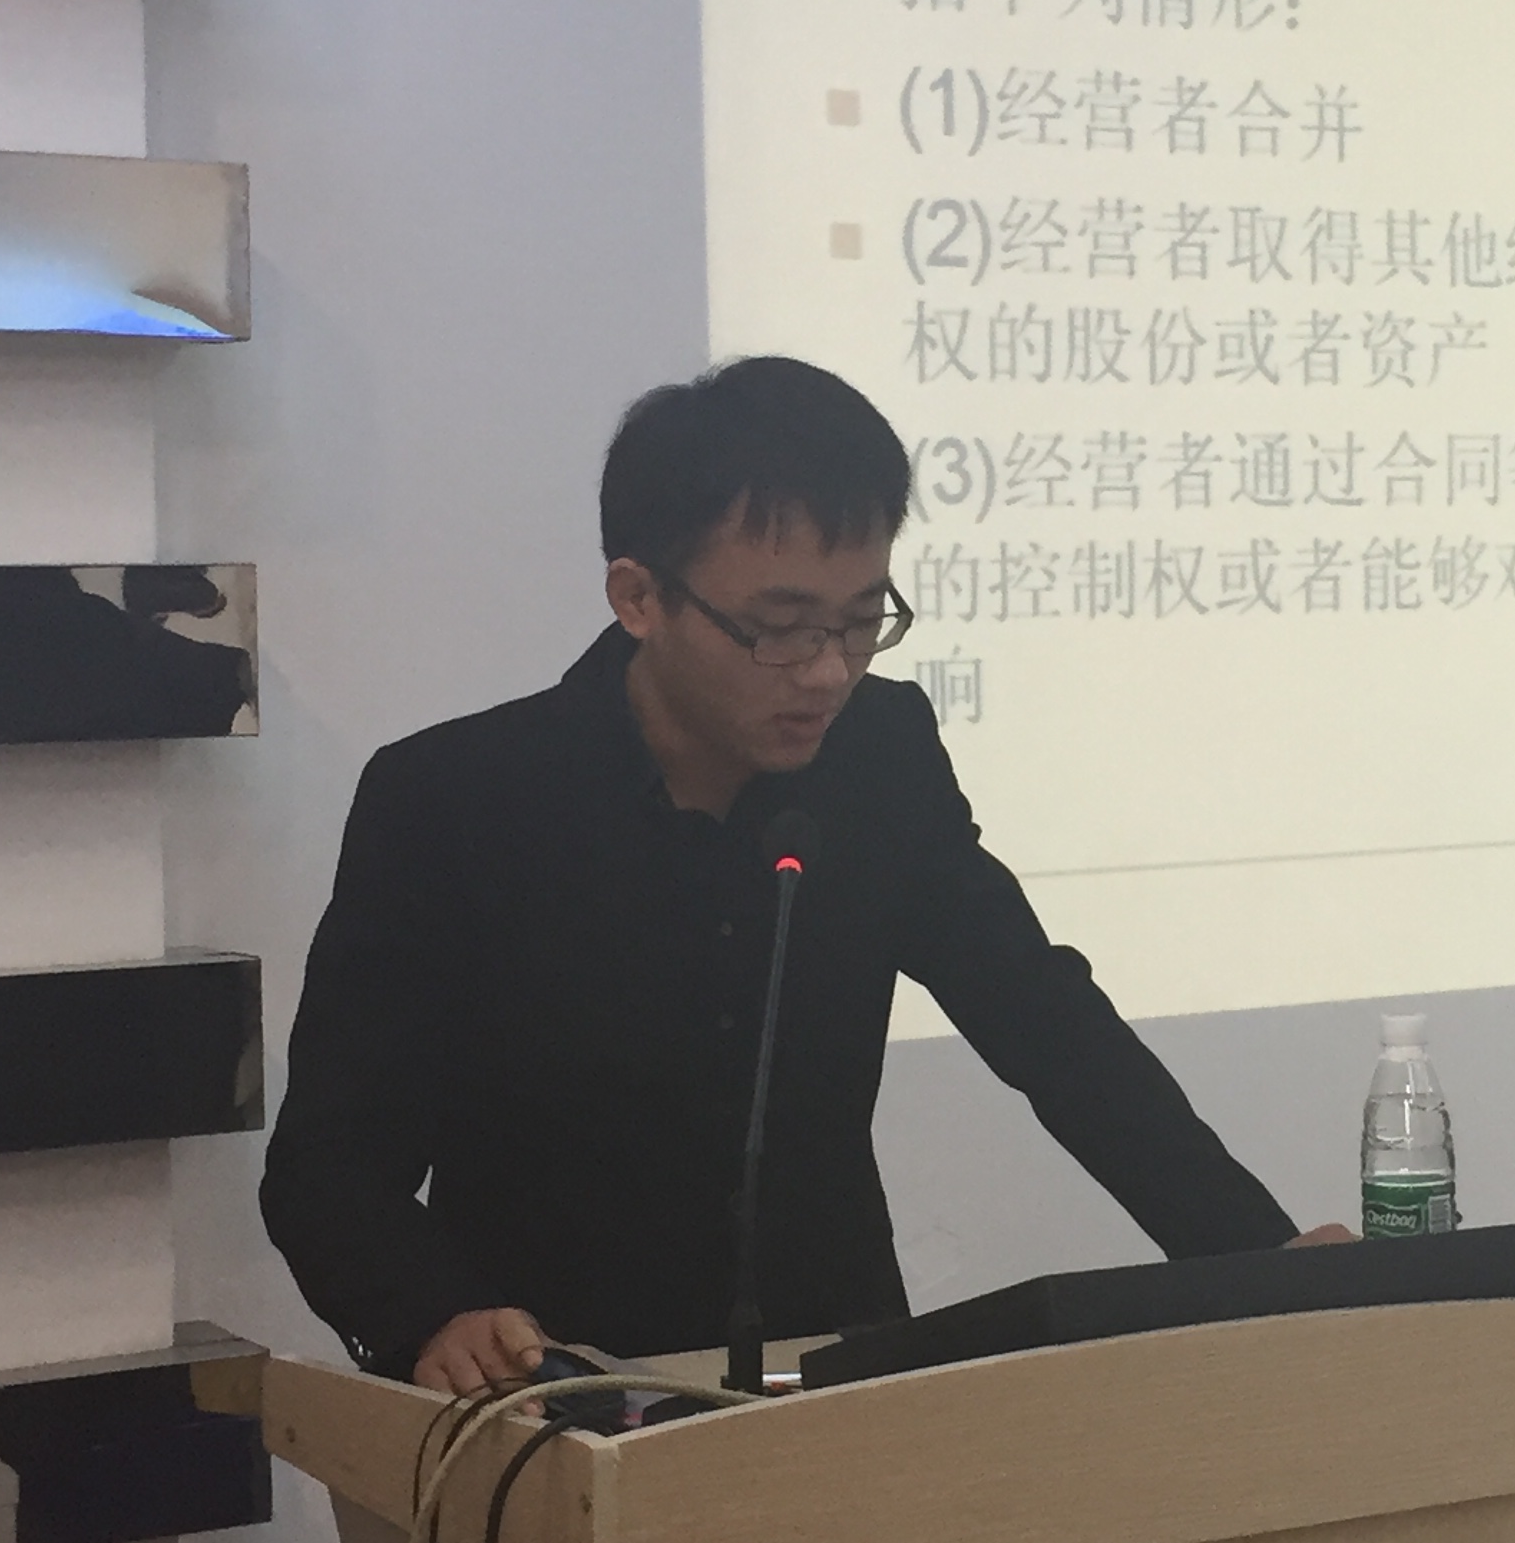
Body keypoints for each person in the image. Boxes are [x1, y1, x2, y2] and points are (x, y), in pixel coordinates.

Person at [262, 357, 1345, 1390]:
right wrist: (431, 1315)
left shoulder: (880, 758)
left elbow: (1046, 1022)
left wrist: (1255, 1256)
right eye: (779, 630)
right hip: (557, 1391)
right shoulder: (458, 802)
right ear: (639, 597)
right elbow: (328, 1166)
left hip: (838, 1380)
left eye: (862, 621)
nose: (828, 672)